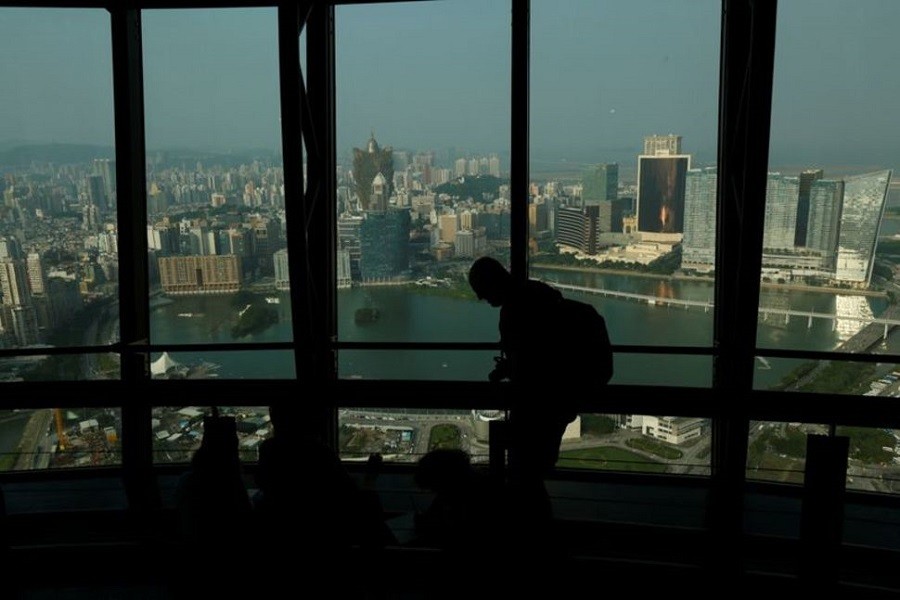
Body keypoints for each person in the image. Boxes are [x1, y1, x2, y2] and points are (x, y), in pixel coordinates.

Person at [468, 256, 577, 532]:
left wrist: (510, 371)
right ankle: (535, 533)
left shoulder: (515, 309)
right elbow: (541, 356)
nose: (483, 299)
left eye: (483, 292)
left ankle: (533, 534)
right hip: (558, 400)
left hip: (536, 405)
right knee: (532, 476)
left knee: (525, 477)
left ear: (493, 283)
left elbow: (532, 363)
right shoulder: (540, 294)